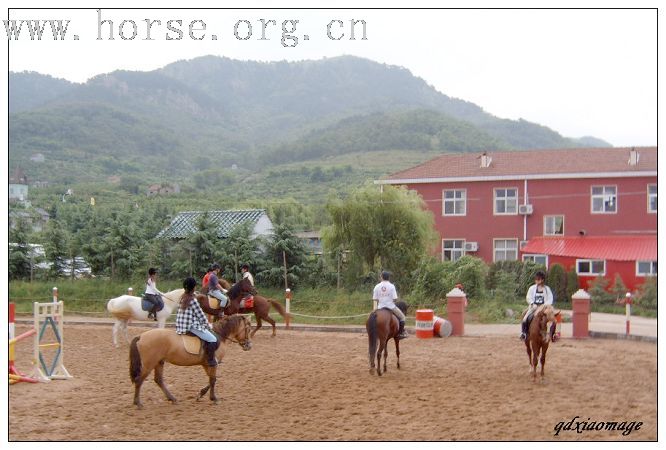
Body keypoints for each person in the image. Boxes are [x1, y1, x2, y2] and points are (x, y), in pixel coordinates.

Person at [176, 277, 219, 367]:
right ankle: (210, 360)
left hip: (180, 326)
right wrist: (209, 325)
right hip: (190, 326)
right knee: (213, 339)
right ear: (194, 287)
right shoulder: (193, 300)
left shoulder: (182, 297)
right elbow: (201, 316)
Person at [372, 271, 408, 339]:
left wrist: (374, 309)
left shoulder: (377, 286)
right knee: (403, 317)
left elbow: (375, 299)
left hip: (380, 307)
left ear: (381, 277)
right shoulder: (392, 286)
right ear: (388, 278)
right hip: (390, 307)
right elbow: (395, 299)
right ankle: (400, 333)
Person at [520, 270, 554, 340]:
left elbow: (550, 298)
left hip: (544, 307)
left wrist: (544, 305)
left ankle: (552, 334)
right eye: (536, 279)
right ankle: (524, 333)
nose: (536, 281)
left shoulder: (547, 289)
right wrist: (532, 303)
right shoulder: (532, 288)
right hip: (534, 307)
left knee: (552, 318)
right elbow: (528, 297)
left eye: (538, 279)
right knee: (525, 317)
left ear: (542, 280)